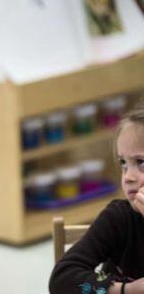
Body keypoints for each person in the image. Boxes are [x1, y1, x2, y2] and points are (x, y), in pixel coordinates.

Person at [49, 105, 144, 294]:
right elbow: (62, 280)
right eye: (123, 163)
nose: (128, 177)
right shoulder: (118, 218)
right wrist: (124, 289)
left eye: (141, 163)